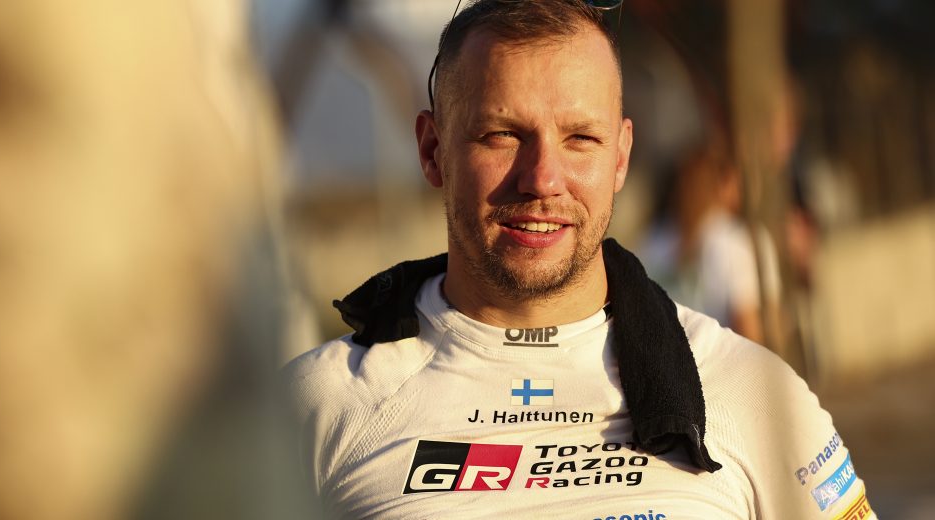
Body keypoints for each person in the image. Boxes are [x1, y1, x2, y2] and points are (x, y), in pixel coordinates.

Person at [284, 1, 875, 518]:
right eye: (502, 135)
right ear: (432, 149)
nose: (543, 179)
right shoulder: (312, 408)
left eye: (580, 139)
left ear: (620, 158)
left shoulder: (754, 392)